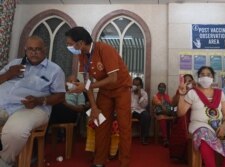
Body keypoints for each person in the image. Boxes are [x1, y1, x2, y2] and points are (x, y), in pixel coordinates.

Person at [65, 27, 132, 167]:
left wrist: (86, 87)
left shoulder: (104, 49)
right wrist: (94, 107)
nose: (68, 47)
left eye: (70, 43)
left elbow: (113, 78)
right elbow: (87, 81)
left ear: (81, 43)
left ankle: (124, 162)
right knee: (100, 123)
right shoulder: (82, 56)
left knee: (124, 125)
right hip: (105, 91)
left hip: (121, 88)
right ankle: (99, 161)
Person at [0, 36, 65, 167]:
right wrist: (8, 75)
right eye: (30, 49)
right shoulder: (15, 63)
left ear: (45, 50)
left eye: (38, 49)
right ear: (25, 50)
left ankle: (4, 162)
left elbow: (60, 96)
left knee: (15, 132)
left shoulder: (55, 70)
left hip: (32, 108)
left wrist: (39, 100)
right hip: (3, 103)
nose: (33, 52)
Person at [177, 66, 225, 167]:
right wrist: (181, 94)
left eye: (208, 74)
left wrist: (224, 126)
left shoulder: (220, 93)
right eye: (202, 74)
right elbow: (180, 113)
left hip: (219, 124)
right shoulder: (193, 93)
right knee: (204, 134)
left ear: (213, 78)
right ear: (198, 78)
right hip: (199, 125)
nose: (205, 77)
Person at [169, 74, 194, 160]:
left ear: (193, 82)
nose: (187, 83)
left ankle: (192, 155)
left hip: (194, 114)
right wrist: (181, 92)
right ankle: (179, 155)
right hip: (182, 114)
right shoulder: (179, 90)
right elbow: (173, 104)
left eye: (189, 81)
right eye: (185, 81)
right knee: (181, 126)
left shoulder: (196, 91)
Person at [152, 82, 172, 147]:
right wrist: (164, 108)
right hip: (159, 113)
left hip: (167, 113)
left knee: (174, 118)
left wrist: (170, 109)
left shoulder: (167, 96)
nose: (162, 88)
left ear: (165, 88)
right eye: (160, 87)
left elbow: (171, 104)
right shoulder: (155, 96)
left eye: (163, 87)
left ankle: (171, 138)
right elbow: (158, 103)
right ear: (158, 88)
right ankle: (165, 139)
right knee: (162, 118)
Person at [131, 77, 150, 145]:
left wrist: (139, 96)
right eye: (134, 85)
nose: (135, 87)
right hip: (129, 110)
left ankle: (144, 137)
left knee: (146, 116)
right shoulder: (129, 91)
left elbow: (144, 105)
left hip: (139, 111)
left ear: (140, 85)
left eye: (137, 85)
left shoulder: (144, 93)